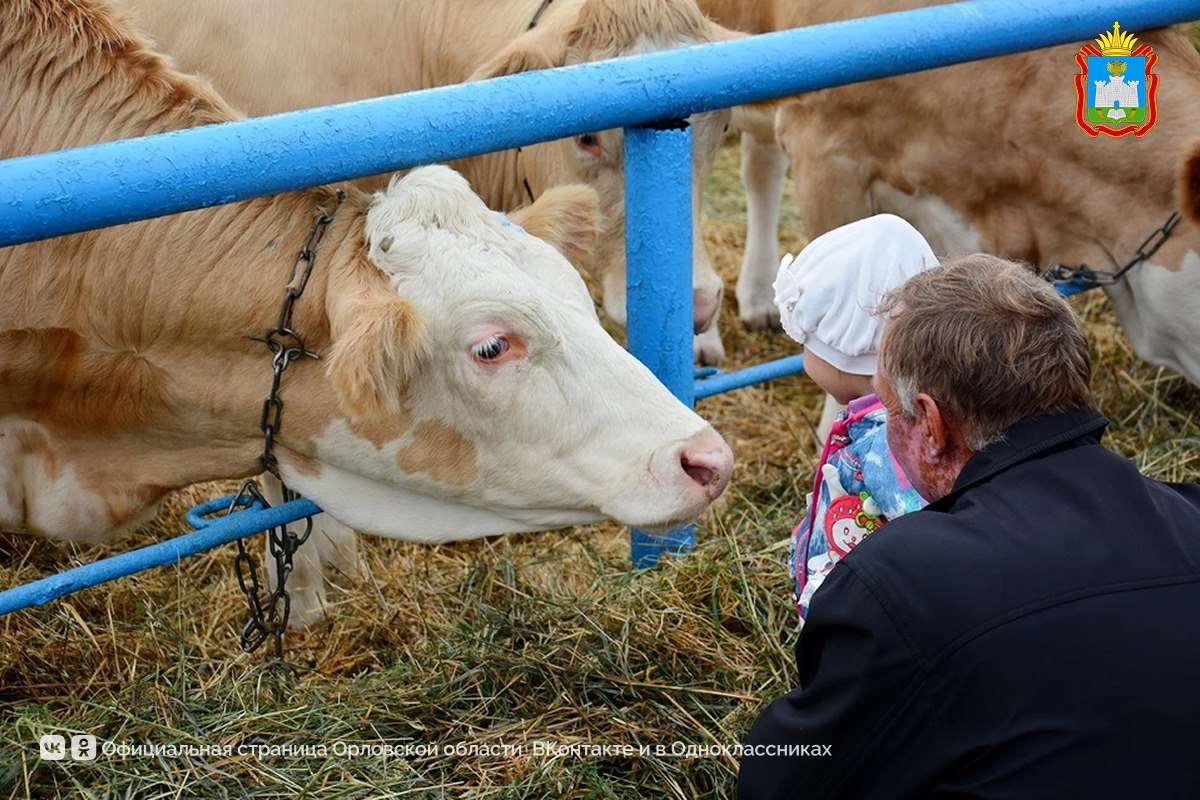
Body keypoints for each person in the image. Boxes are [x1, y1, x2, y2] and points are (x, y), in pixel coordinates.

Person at [740, 255, 1200, 799]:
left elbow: (784, 782)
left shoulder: (900, 584)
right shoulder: (1190, 515)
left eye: (889, 410)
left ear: (931, 426)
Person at [773, 214, 936, 621]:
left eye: (807, 340)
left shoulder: (874, 447)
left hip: (861, 626)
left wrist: (820, 611)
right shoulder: (934, 421)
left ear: (841, 346)